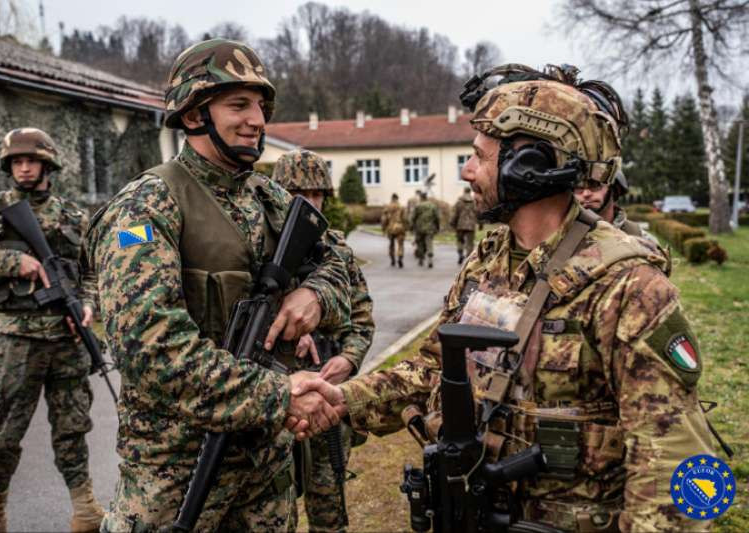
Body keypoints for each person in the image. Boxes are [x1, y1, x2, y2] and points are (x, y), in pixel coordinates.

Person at [289, 64, 719, 532]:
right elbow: (434, 368)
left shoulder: (629, 286)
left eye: (479, 156)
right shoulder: (489, 261)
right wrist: (342, 398)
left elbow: (674, 459)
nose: (467, 171)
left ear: (528, 167)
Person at [85, 39, 350, 532]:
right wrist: (278, 396)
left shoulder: (270, 199)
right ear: (193, 115)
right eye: (239, 105)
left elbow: (341, 265)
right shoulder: (144, 208)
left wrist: (315, 294)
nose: (257, 120)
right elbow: (150, 348)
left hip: (264, 471)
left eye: (261, 107)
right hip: (177, 476)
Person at [0, 128, 104, 532]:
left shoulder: (74, 216)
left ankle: (85, 510)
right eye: (16, 162)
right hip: (13, 342)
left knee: (72, 428)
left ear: (47, 164)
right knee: (2, 431)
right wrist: (11, 263)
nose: (23, 168)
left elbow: (91, 270)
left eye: (31, 160)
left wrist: (88, 304)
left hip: (66, 340)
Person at [272, 148, 375, 532]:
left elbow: (362, 320)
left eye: (317, 194)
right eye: (299, 193)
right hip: (277, 398)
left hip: (327, 396)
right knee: (276, 510)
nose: (310, 203)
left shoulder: (336, 250)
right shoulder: (257, 246)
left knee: (328, 503)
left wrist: (348, 359)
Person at [575, 168, 656, 241]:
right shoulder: (567, 235)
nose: (586, 194)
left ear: (615, 190)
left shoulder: (641, 238)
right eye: (578, 186)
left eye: (595, 185)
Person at [410, 190, 440, 268]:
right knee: (429, 243)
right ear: (426, 197)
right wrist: (437, 227)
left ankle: (421, 259)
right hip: (430, 228)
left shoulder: (418, 206)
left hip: (419, 228)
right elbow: (437, 217)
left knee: (420, 243)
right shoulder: (432, 206)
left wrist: (411, 227)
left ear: (421, 197)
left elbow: (413, 218)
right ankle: (430, 259)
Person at [449, 186, 477, 264]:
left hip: (460, 225)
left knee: (460, 241)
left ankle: (460, 253)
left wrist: (452, 222)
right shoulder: (474, 202)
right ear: (470, 191)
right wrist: (481, 223)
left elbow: (455, 214)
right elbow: (478, 212)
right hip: (471, 225)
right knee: (470, 243)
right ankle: (469, 259)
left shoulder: (459, 202)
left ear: (464, 191)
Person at [381, 193, 407, 267]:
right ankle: (400, 256)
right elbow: (405, 218)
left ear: (391, 198)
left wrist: (383, 229)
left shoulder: (387, 207)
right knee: (400, 244)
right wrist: (406, 228)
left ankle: (392, 259)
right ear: (397, 199)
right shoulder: (401, 207)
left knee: (391, 244)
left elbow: (384, 219)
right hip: (400, 227)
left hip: (391, 227)